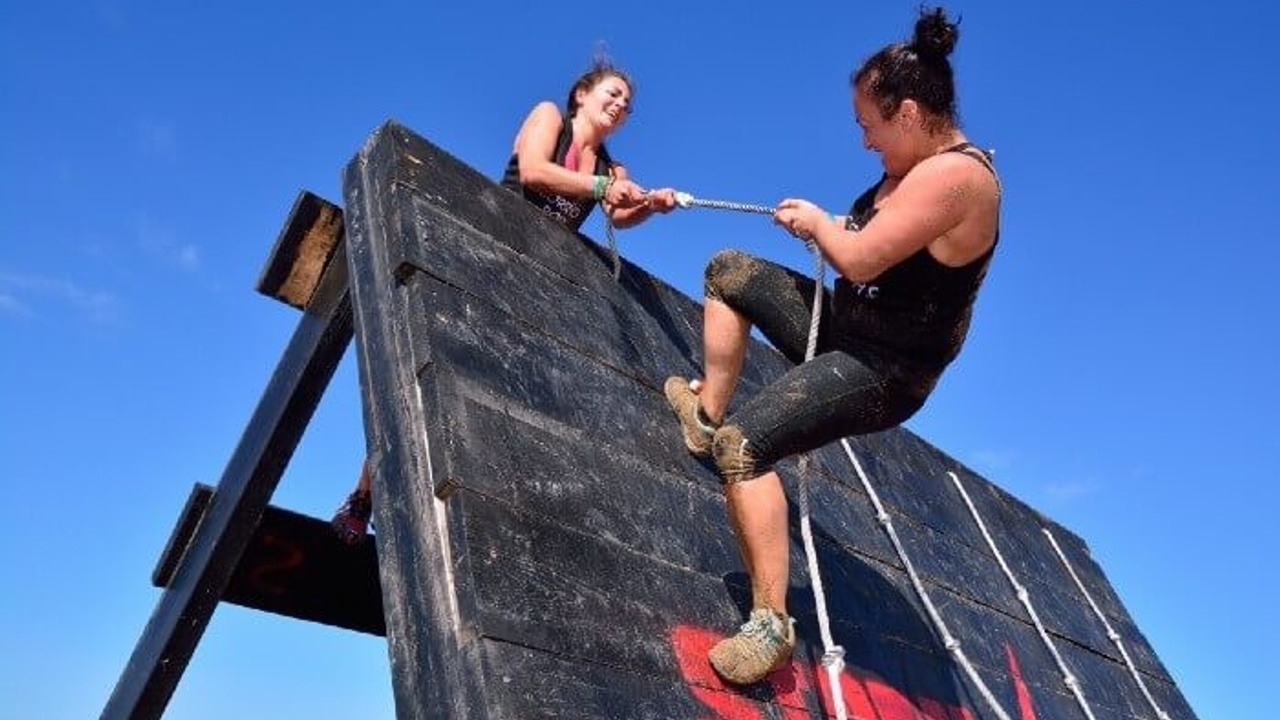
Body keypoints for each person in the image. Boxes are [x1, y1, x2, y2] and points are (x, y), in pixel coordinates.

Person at [663, 7, 1001, 685]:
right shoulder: (916, 170)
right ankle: (707, 413)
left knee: (748, 449)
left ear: (907, 113)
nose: (865, 143)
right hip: (847, 326)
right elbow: (871, 234)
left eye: (868, 127)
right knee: (729, 272)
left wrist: (823, 226)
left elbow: (863, 260)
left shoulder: (960, 179)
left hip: (883, 369)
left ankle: (770, 626)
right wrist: (823, 223)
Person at [330, 57, 678, 544]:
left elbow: (618, 217)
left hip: (530, 285)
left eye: (627, 104)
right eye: (613, 93)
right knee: (424, 372)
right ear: (582, 94)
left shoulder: (611, 166)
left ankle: (457, 509)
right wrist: (605, 187)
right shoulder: (550, 118)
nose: (620, 105)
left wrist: (649, 207)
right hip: (484, 254)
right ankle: (362, 498)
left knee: (491, 392)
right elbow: (535, 171)